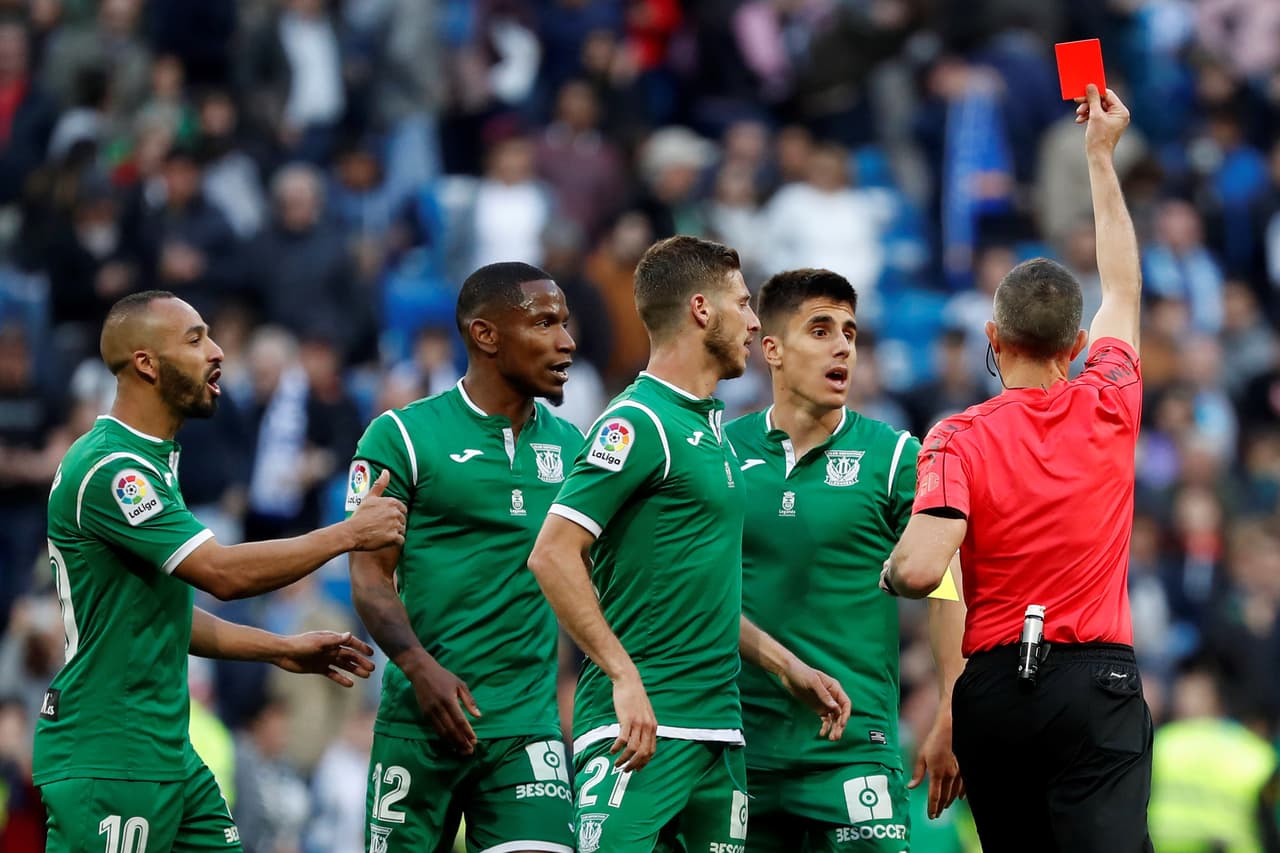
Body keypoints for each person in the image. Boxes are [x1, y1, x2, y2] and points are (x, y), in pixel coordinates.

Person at [35, 290, 407, 853]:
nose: (217, 352)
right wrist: (347, 533)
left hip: (165, 750)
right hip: (109, 750)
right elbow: (222, 573)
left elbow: (161, 617)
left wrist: (277, 648)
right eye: (195, 338)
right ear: (146, 363)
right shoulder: (112, 468)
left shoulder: (155, 462)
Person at [881, 85, 1150, 853]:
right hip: (1096, 683)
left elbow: (924, 567)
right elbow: (1123, 286)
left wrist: (892, 569)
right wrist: (1101, 157)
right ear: (1075, 345)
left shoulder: (955, 436)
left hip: (995, 692)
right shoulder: (1109, 399)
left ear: (993, 338)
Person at [527, 236, 852, 852]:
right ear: (702, 310)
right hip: (639, 735)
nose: (755, 321)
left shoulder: (713, 434)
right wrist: (622, 676)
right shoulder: (639, 422)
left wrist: (789, 667)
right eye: (743, 302)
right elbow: (551, 553)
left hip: (719, 739)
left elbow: (701, 599)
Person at [726, 267, 966, 851]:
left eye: (851, 333)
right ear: (772, 350)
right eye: (821, 329)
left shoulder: (894, 456)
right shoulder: (720, 453)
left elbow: (947, 584)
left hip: (855, 752)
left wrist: (951, 709)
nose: (842, 346)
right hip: (739, 750)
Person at [347, 262, 583, 853]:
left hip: (526, 729)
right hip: (417, 724)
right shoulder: (400, 437)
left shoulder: (575, 448)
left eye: (566, 323)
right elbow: (370, 579)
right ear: (486, 335)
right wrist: (419, 668)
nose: (566, 341)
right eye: (545, 323)